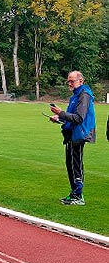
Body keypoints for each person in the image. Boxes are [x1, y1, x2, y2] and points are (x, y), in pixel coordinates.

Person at [50, 71, 96, 206]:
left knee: (75, 164)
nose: (69, 84)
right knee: (70, 164)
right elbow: (71, 117)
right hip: (71, 133)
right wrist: (59, 118)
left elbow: (79, 118)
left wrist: (61, 113)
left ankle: (78, 195)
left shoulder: (84, 95)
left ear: (81, 81)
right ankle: (74, 193)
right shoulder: (75, 96)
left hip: (79, 134)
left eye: (72, 81)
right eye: (68, 81)